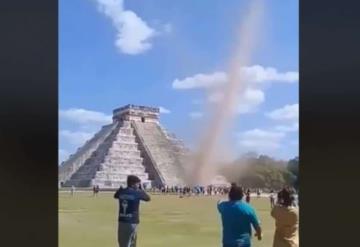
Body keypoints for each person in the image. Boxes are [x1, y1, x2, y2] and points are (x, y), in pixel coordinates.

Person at [114, 175, 151, 247]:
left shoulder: (122, 192)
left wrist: (120, 190)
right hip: (133, 221)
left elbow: (116, 195)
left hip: (122, 221)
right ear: (133, 184)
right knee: (131, 243)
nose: (138, 186)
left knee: (124, 243)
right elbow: (147, 198)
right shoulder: (137, 193)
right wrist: (141, 189)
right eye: (138, 184)